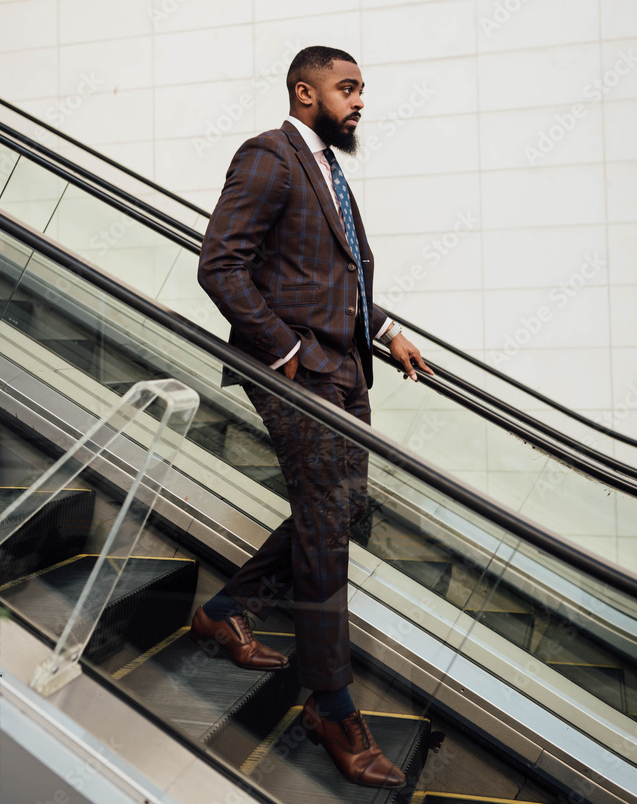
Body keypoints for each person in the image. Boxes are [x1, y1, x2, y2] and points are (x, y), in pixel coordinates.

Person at [194, 46, 433, 788]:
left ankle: (227, 609)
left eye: (361, 89)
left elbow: (336, 277)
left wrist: (386, 330)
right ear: (305, 92)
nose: (360, 101)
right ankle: (331, 705)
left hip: (347, 369)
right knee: (328, 523)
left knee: (343, 507)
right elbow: (219, 264)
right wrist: (284, 348)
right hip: (297, 373)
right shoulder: (270, 156)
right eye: (347, 88)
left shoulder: (328, 169)